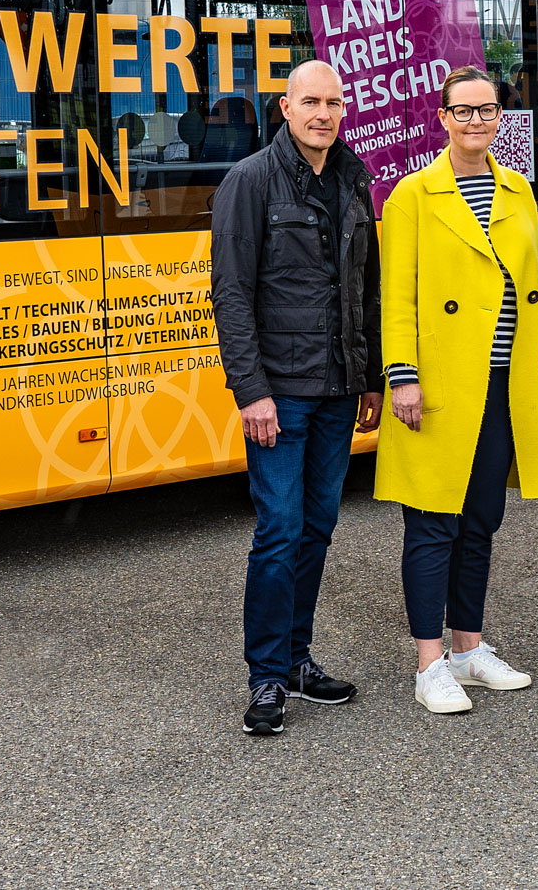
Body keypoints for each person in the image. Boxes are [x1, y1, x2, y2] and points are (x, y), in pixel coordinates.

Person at [207, 58, 383, 736]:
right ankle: (265, 678)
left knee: (316, 528)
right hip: (278, 396)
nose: (324, 113)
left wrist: (366, 376)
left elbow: (363, 286)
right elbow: (230, 295)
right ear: (284, 107)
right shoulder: (248, 181)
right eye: (311, 101)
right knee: (278, 532)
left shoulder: (352, 177)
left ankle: (298, 659)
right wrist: (251, 391)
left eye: (335, 102)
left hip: (338, 388)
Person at [375, 65, 538, 715]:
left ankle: (468, 649)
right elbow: (395, 298)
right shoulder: (412, 196)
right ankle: (429, 665)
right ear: (443, 118)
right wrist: (402, 377)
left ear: (499, 119)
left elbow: (530, 292)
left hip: (503, 384)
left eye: (487, 111)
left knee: (480, 522)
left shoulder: (516, 190)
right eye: (464, 111)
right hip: (441, 384)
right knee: (431, 525)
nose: (476, 121)